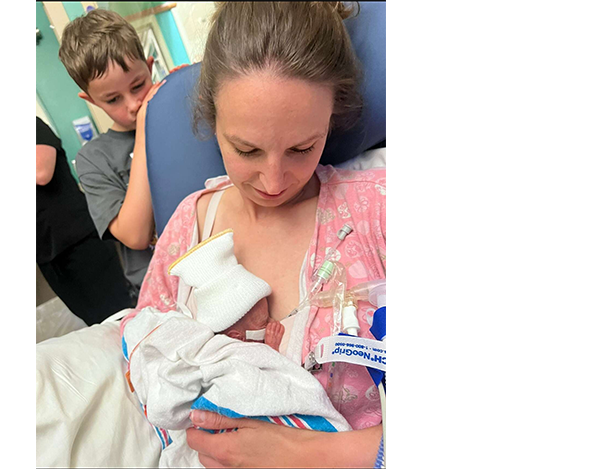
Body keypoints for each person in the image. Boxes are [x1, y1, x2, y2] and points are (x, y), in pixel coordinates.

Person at [119, 2, 385, 467]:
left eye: (302, 147)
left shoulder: (379, 211)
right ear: (212, 121)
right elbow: (145, 358)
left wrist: (314, 454)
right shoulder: (190, 226)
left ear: (332, 118)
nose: (274, 181)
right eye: (247, 150)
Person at [123, 229, 349, 467]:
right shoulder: (224, 349)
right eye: (263, 322)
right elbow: (258, 370)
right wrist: (270, 348)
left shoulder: (245, 339)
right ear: (235, 336)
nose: (272, 322)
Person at [57, 9, 163, 299]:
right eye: (113, 99)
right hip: (157, 288)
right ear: (92, 101)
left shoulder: (179, 118)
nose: (133, 104)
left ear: (150, 68)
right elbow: (135, 235)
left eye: (138, 86)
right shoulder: (93, 159)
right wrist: (145, 130)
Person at [36, 116, 133, 325]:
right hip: (45, 252)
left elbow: (41, 173)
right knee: (96, 322)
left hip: (76, 237)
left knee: (119, 311)